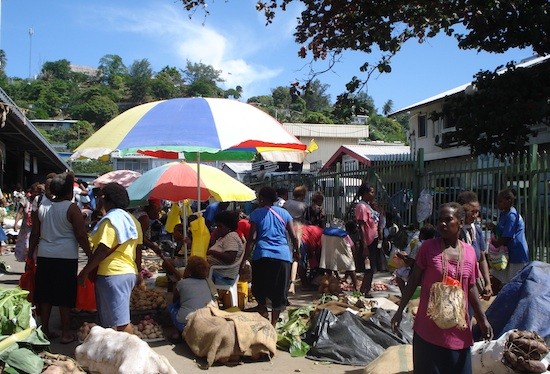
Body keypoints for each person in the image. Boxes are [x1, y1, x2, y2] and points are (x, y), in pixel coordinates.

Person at [391, 202, 493, 374]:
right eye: (440, 220)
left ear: (460, 223)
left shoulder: (469, 252)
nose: (442, 224)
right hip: (428, 333)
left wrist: (482, 320)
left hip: (458, 333)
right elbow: (414, 279)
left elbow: (472, 287)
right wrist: (400, 310)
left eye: (448, 220)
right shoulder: (428, 248)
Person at [29, 172, 91, 343]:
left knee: (45, 294)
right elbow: (81, 235)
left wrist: (30, 255)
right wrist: (90, 255)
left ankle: (45, 331)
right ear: (68, 191)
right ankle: (65, 333)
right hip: (66, 257)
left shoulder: (43, 207)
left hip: (45, 256)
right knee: (65, 296)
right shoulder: (71, 208)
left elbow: (35, 234)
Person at [77, 182, 141, 334]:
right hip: (128, 272)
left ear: (106, 199)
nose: (98, 200)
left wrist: (85, 271)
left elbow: (103, 249)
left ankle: (132, 354)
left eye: (100, 197)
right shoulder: (133, 221)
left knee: (121, 324)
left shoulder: (111, 220)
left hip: (112, 274)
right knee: (114, 323)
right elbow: (138, 249)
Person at [244, 186, 300, 326]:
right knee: (279, 292)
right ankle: (273, 325)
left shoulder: (256, 214)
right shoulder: (285, 214)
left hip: (262, 255)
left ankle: (263, 310)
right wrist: (297, 252)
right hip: (282, 256)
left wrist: (244, 258)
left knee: (258, 288)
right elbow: (294, 237)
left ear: (262, 198)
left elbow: (252, 238)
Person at [489, 188, 529, 286]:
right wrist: (494, 227)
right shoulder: (504, 214)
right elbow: (501, 231)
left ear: (509, 201)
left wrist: (494, 246)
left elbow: (507, 236)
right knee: (502, 278)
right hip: (507, 253)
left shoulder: (512, 215)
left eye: (500, 201)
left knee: (515, 281)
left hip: (516, 253)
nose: (498, 204)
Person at [166, 256, 214, 335]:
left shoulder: (182, 283)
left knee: (172, 306)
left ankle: (177, 334)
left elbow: (175, 300)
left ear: (188, 270)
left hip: (185, 322)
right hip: (207, 319)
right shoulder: (209, 282)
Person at [394, 224, 436, 295]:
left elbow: (411, 263)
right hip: (431, 272)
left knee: (398, 274)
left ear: (422, 235)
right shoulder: (435, 245)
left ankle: (405, 295)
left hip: (419, 274)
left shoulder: (419, 245)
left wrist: (401, 257)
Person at [206, 210, 245, 285]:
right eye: (217, 226)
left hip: (222, 275)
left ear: (228, 227)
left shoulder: (231, 237)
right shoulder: (224, 237)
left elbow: (230, 258)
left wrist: (211, 252)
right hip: (217, 272)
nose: (217, 229)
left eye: (220, 226)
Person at [355, 182, 380, 297]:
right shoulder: (361, 207)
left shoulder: (369, 205)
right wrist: (364, 245)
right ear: (365, 193)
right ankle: (365, 290)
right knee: (368, 267)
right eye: (371, 192)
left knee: (371, 267)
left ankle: (366, 289)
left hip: (374, 240)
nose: (373, 194)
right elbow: (361, 226)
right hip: (368, 241)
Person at [14, 183, 43, 261]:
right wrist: (16, 223)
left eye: (38, 192)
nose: (36, 194)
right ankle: (28, 264)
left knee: (35, 247)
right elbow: (20, 212)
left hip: (36, 228)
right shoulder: (25, 200)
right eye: (35, 191)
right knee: (26, 247)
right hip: (26, 228)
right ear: (31, 191)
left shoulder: (41, 200)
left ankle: (33, 265)